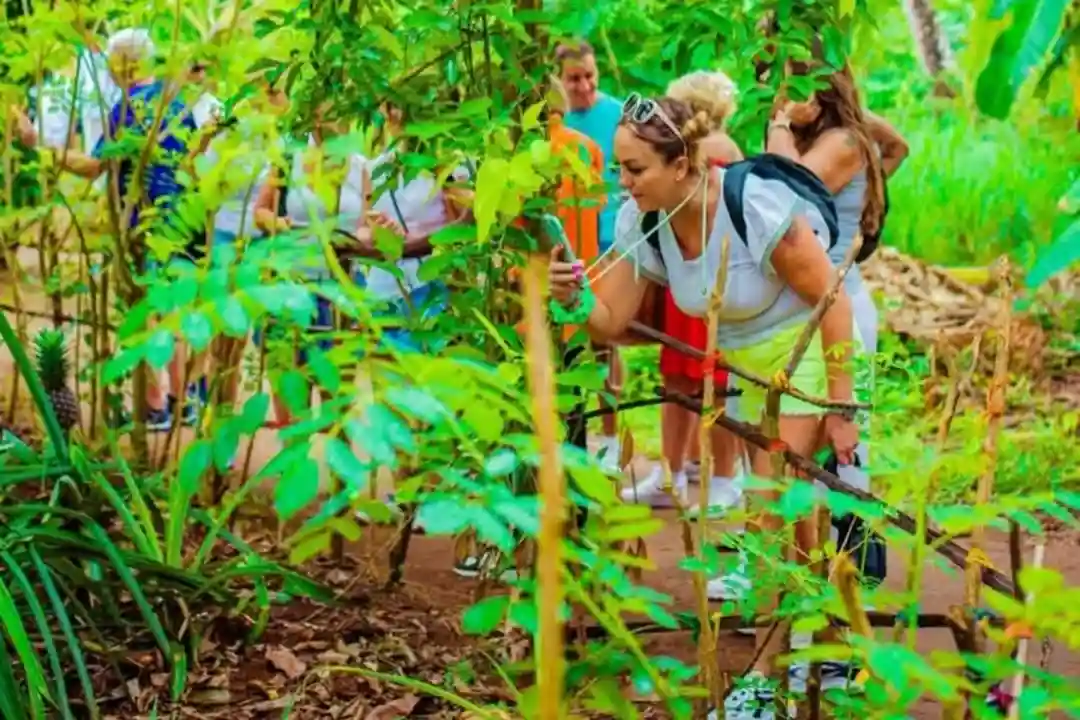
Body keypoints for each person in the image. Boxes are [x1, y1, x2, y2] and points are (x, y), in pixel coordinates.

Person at [548, 95, 859, 718]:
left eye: (635, 169)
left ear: (683, 165)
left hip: (815, 351)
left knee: (768, 511)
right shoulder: (647, 221)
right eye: (619, 168)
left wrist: (844, 406)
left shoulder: (751, 206)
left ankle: (769, 682)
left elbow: (834, 302)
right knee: (798, 524)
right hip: (750, 367)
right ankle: (837, 650)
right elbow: (609, 320)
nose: (623, 182)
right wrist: (571, 297)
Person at [765, 58, 908, 692]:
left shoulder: (841, 144)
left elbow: (785, 189)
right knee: (798, 478)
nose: (780, 95)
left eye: (793, 82)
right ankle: (805, 627)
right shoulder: (833, 134)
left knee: (845, 468)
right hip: (798, 313)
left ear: (819, 86)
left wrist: (777, 136)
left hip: (841, 308)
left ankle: (848, 636)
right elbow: (895, 144)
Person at [13, 28, 202, 431]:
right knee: (175, 313)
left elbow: (95, 166)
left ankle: (154, 406)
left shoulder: (129, 107)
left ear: (123, 64)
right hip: (181, 221)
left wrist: (38, 147)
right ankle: (181, 401)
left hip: (141, 225)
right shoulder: (177, 101)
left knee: (146, 314)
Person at [620, 70, 746, 513]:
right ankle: (671, 473)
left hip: (713, 277)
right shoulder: (690, 150)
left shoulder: (717, 149)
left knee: (718, 379)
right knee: (677, 376)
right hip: (683, 275)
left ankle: (726, 477)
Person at [252, 100, 370, 427]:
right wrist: (278, 223)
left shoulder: (361, 168)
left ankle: (337, 470)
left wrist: (357, 237)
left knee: (335, 381)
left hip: (339, 284)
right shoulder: (289, 160)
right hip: (290, 282)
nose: (333, 122)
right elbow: (260, 212)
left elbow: (366, 225)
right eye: (327, 113)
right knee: (291, 378)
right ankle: (294, 455)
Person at [556, 39, 625, 470]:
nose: (583, 86)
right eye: (573, 79)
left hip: (609, 240)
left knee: (604, 340)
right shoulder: (555, 125)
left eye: (588, 76)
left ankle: (612, 439)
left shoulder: (615, 115)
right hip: (565, 245)